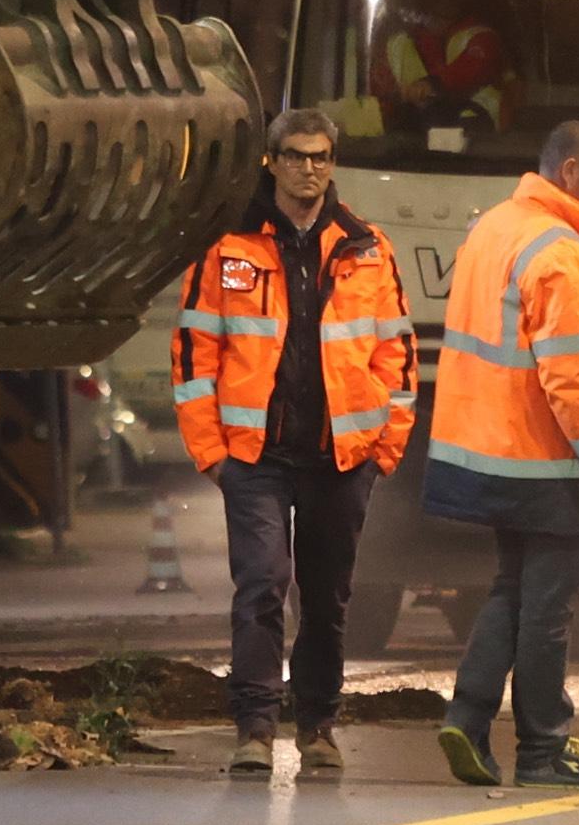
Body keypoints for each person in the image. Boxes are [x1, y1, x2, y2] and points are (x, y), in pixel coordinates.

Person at [173, 108, 416, 777]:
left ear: (332, 162)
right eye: (295, 155)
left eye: (320, 156)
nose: (308, 167)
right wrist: (214, 453)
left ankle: (318, 725)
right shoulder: (227, 248)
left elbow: (398, 351)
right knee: (261, 585)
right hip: (253, 456)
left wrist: (384, 448)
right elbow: (195, 351)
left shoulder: (368, 246)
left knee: (326, 595)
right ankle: (254, 727)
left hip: (341, 458)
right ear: (271, 162)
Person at [425, 120, 579, 789]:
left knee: (512, 590)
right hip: (549, 460)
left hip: (488, 450)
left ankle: (468, 714)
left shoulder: (494, 227)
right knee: (549, 610)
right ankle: (543, 750)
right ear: (570, 172)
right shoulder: (563, 251)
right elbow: (571, 374)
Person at [375, 0, 512, 132]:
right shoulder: (406, 42)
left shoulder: (480, 36)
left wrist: (431, 84)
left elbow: (471, 69)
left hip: (481, 123)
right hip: (425, 126)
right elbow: (380, 96)